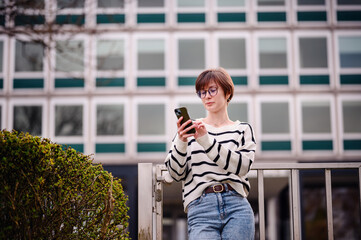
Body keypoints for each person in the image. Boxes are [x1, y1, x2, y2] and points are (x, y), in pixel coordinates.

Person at [165, 67, 256, 240]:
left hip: (236, 204)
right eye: (202, 92)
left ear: (227, 93)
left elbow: (242, 167)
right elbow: (175, 173)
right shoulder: (191, 130)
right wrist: (182, 141)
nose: (206, 96)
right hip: (200, 207)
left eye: (212, 90)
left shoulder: (242, 129)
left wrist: (206, 141)